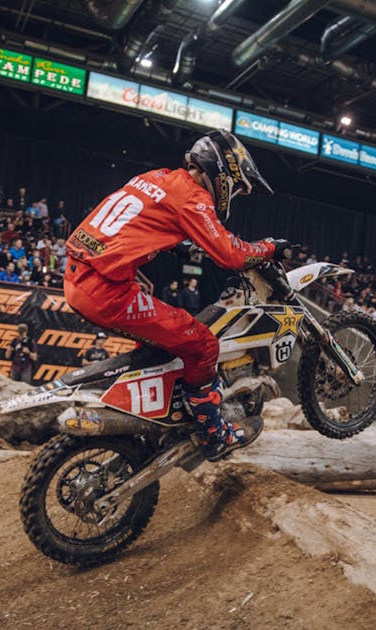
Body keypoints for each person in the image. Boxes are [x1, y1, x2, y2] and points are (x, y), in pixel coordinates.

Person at [64, 129, 291, 461]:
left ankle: (156, 418)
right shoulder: (193, 199)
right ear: (223, 174)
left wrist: (178, 245)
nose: (233, 194)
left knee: (164, 343)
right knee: (203, 345)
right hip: (105, 292)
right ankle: (213, 435)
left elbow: (139, 221)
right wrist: (270, 247)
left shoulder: (157, 177)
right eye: (236, 187)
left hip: (79, 275)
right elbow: (231, 255)